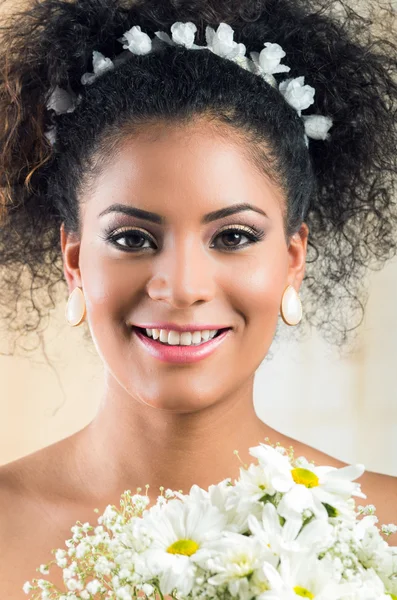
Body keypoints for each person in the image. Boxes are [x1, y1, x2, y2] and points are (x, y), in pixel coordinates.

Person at [0, 0, 397, 595]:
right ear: (76, 262)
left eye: (233, 237)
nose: (183, 287)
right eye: (132, 238)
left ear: (292, 260)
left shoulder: (385, 532)